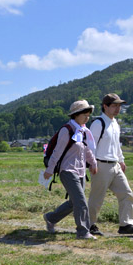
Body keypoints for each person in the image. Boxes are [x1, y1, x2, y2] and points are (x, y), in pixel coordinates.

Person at [88, 94, 133, 235]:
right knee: (97, 198)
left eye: (119, 106)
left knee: (126, 194)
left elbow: (116, 145)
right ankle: (88, 225)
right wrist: (92, 163)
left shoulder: (115, 123)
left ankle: (125, 225)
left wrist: (121, 159)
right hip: (101, 165)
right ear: (105, 106)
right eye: (114, 105)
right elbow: (90, 146)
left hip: (115, 165)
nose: (117, 108)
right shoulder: (98, 123)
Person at [43, 100, 99, 240]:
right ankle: (83, 232)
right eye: (84, 115)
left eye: (88, 115)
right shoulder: (66, 130)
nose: (87, 118)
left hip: (80, 171)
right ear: (76, 115)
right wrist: (49, 169)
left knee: (74, 202)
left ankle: (50, 218)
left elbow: (86, 150)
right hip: (67, 171)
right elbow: (57, 152)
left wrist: (93, 163)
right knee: (81, 202)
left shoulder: (83, 131)